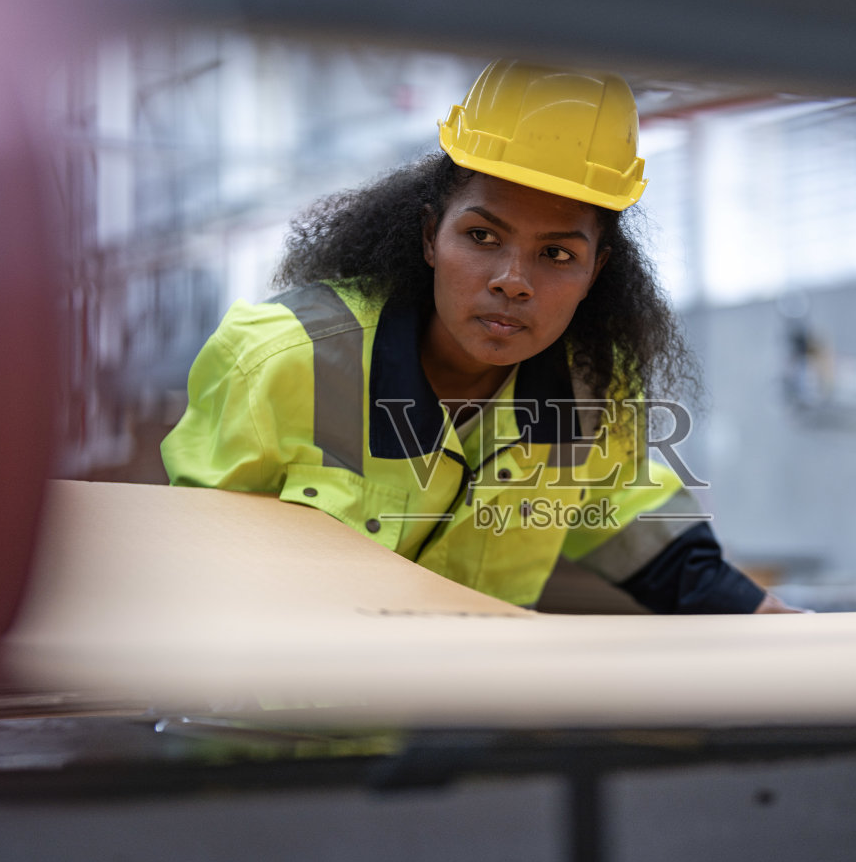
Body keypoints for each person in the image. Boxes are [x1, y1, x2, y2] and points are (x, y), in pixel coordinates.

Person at [163, 59, 795, 615]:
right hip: (273, 738)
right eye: (483, 237)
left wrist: (752, 611)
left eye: (556, 254)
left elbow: (622, 508)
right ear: (430, 237)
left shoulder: (588, 393)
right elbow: (184, 578)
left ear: (594, 273)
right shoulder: (277, 360)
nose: (513, 282)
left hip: (461, 734)